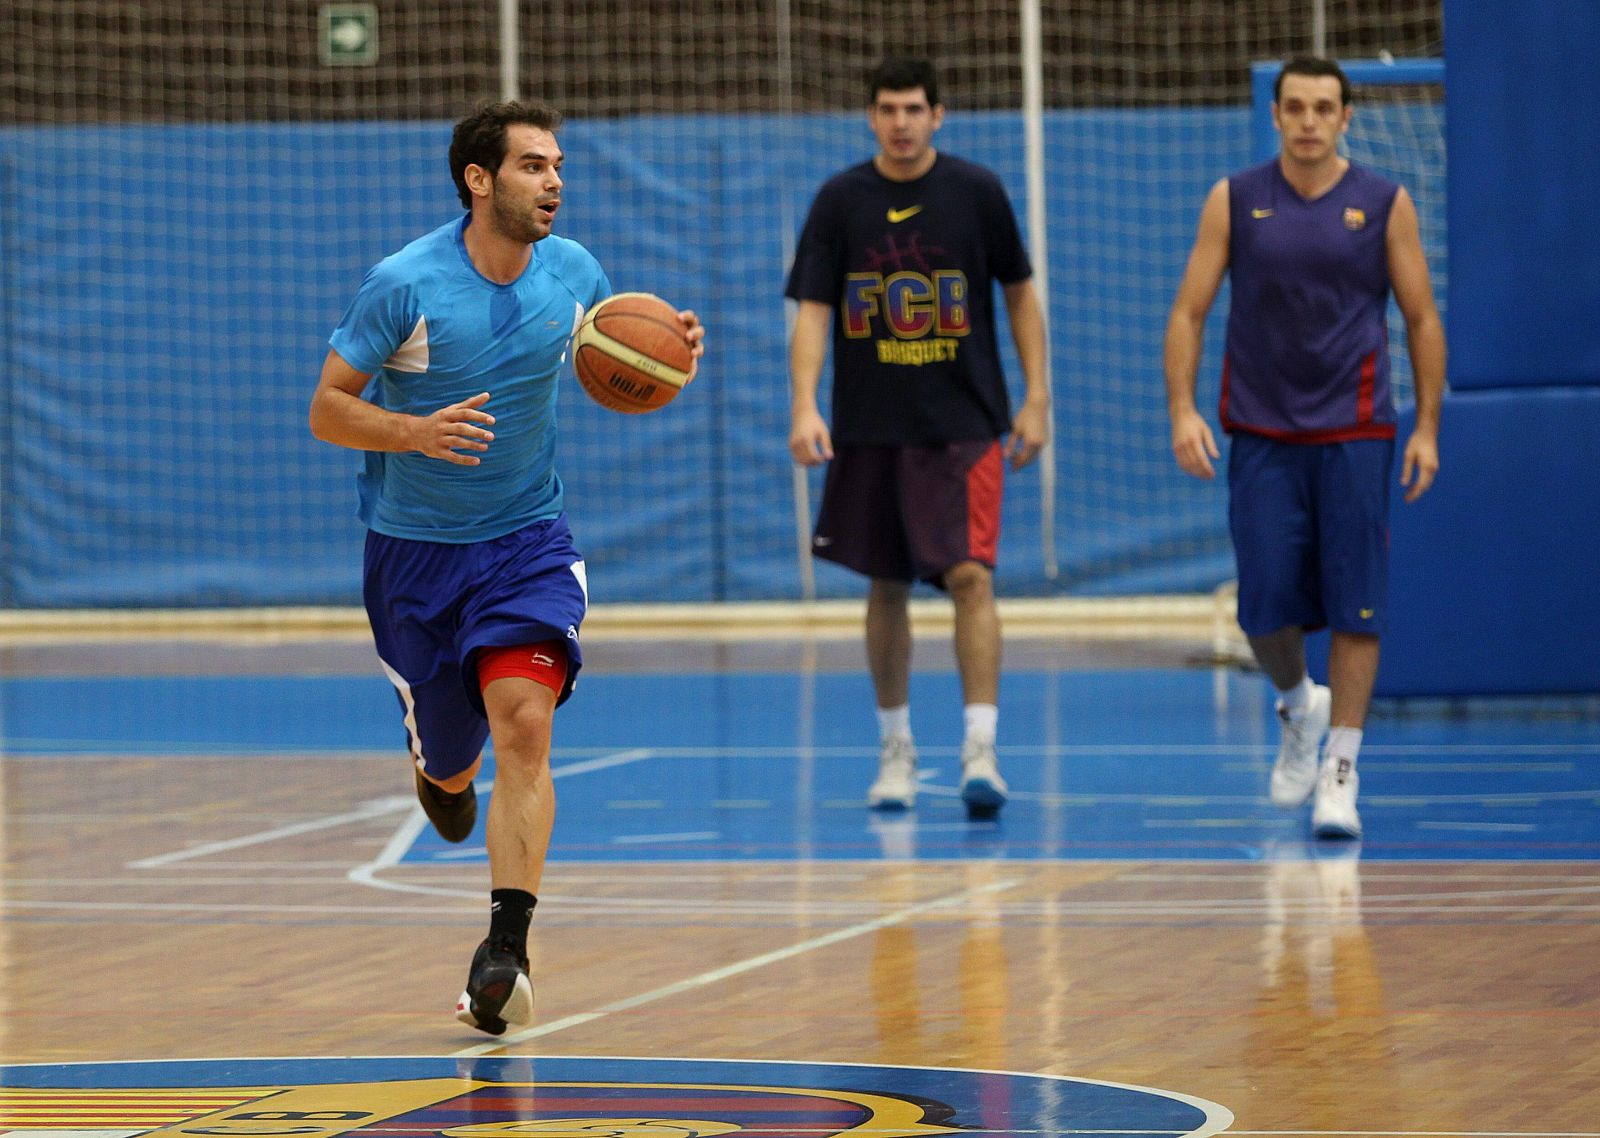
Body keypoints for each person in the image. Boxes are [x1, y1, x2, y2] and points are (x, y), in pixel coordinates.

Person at [309, 100, 703, 1034]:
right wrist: (412, 430)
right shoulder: (404, 284)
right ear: (479, 181)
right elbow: (327, 408)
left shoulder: (575, 275)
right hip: (413, 561)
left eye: (557, 164)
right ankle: (438, 774)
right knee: (455, 766)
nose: (554, 180)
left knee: (524, 723)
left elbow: (607, 357)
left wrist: (665, 352)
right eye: (532, 165)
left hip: (528, 544)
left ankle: (505, 952)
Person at [1164, 56, 1444, 839]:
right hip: (1260, 432)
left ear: (1347, 117)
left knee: (1358, 606)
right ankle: (1297, 707)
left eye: (1325, 107)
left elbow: (1421, 318)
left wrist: (1425, 425)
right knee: (1262, 606)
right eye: (1297, 108)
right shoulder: (1235, 200)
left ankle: (1342, 770)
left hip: (1355, 431)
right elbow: (1189, 312)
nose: (1311, 121)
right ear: (1278, 116)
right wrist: (1183, 410)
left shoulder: (1384, 204)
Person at [785, 57, 1050, 818]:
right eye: (887, 109)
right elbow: (812, 311)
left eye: (913, 109)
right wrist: (805, 405)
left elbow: (1021, 295)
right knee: (885, 584)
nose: (900, 122)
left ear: (939, 115)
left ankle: (981, 747)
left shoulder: (977, 192)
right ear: (871, 117)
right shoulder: (841, 200)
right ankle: (895, 748)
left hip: (964, 422)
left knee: (971, 574)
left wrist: (1038, 397)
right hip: (870, 423)